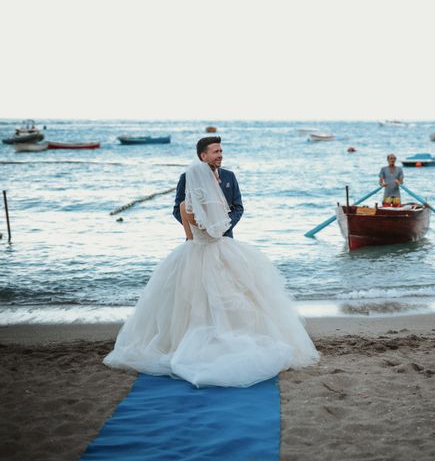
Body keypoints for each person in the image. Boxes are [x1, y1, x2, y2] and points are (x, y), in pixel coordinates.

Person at [104, 149, 319, 388]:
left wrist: (204, 231)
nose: (218, 171)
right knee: (229, 296)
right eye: (216, 153)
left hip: (191, 250)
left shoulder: (189, 205)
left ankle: (183, 340)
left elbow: (190, 232)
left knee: (189, 300)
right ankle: (222, 337)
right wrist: (218, 223)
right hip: (218, 248)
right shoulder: (210, 205)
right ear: (203, 163)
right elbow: (215, 231)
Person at [173, 136, 243, 238]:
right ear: (203, 156)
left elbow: (238, 208)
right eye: (216, 152)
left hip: (225, 239)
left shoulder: (229, 176)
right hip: (198, 240)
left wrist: (223, 228)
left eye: (221, 151)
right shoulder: (186, 178)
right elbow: (178, 210)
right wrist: (199, 227)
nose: (220, 155)